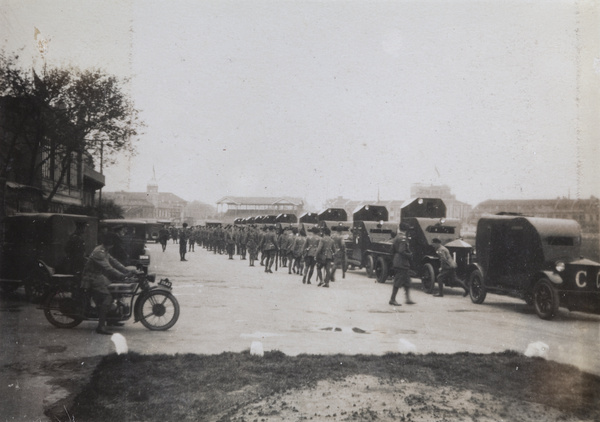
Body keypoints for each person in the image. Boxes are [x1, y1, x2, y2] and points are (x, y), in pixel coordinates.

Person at [81, 232, 133, 334]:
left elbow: (114, 262)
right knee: (107, 297)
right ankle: (101, 326)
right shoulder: (99, 252)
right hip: (91, 277)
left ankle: (112, 320)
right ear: (110, 243)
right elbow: (108, 268)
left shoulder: (104, 250)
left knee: (114, 291)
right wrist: (122, 275)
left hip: (98, 276)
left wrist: (126, 270)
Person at [389, 228, 415, 306]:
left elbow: (392, 250)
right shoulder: (403, 238)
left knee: (407, 281)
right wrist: (410, 255)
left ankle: (408, 299)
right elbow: (402, 251)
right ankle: (392, 299)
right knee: (398, 281)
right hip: (402, 263)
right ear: (405, 230)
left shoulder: (397, 237)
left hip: (399, 261)